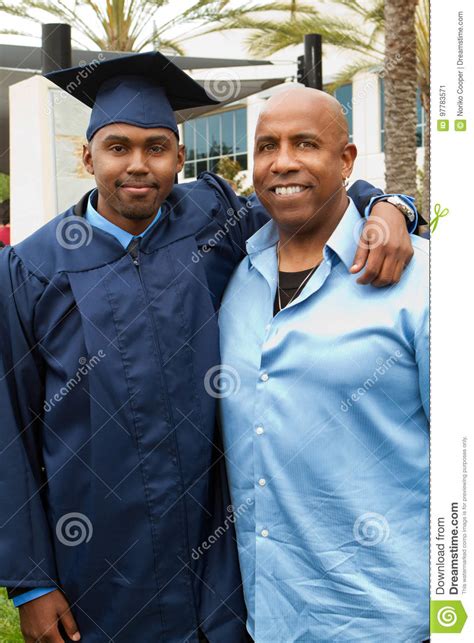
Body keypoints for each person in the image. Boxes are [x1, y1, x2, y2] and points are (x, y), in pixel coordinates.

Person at [0, 52, 418, 643]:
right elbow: (8, 431)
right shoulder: (32, 271)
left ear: (178, 156)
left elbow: (308, 196)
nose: (138, 166)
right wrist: (32, 583)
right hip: (99, 558)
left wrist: (389, 205)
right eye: (118, 147)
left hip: (221, 556)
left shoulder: (214, 222)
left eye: (157, 147)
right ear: (86, 155)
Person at [219, 87, 429, 642]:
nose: (283, 161)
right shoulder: (233, 277)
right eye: (267, 146)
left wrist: (395, 205)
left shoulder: (425, 282)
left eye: (305, 143)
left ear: (347, 160)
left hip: (393, 620)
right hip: (270, 618)